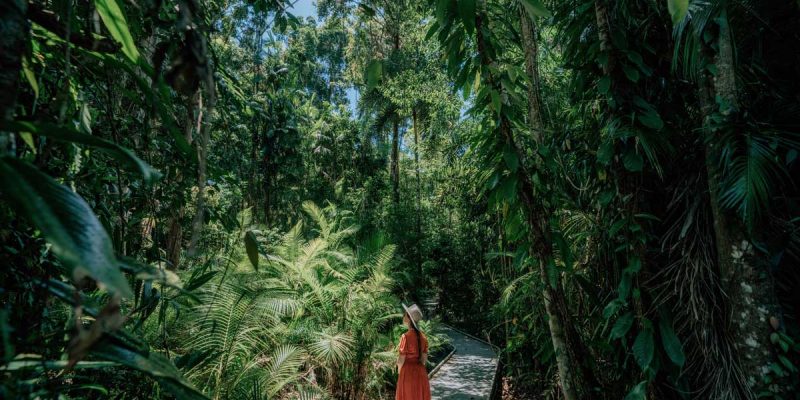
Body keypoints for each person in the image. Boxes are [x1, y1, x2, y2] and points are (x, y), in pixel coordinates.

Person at [396, 303, 431, 400]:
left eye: (405, 314)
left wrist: (400, 372)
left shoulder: (405, 337)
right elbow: (424, 360)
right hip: (420, 372)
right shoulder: (423, 337)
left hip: (407, 372)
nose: (403, 315)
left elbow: (401, 360)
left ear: (408, 317)